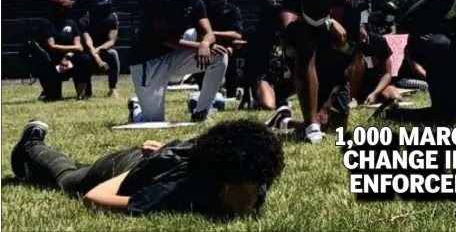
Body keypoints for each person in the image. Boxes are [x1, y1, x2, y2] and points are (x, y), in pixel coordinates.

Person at [10, 119, 284, 218]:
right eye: (240, 191)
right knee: (70, 179)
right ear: (223, 184)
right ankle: (29, 146)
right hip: (123, 169)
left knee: (78, 168)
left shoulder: (250, 167)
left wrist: (166, 148)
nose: (251, 200)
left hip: (152, 161)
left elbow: (203, 145)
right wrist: (141, 169)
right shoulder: (176, 189)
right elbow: (94, 198)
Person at [266, 0, 365, 144]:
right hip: (304, 47)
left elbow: (349, 61)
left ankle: (284, 121)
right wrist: (322, 25)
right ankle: (311, 125)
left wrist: (325, 106)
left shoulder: (351, 3)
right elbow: (287, 33)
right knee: (305, 42)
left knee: (336, 125)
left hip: (332, 54)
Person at [127, 0, 228, 123]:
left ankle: (201, 112)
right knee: (154, 122)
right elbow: (163, 38)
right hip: (148, 61)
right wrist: (197, 46)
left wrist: (205, 43)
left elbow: (209, 33)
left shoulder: (195, 0)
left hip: (172, 57)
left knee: (219, 56)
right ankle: (137, 108)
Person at [32, 0, 92, 101]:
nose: (69, 8)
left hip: (69, 61)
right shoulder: (46, 24)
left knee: (84, 59)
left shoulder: (71, 23)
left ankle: (81, 94)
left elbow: (79, 47)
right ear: (58, 8)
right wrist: (72, 49)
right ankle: (48, 91)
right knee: (53, 98)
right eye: (66, 6)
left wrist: (68, 56)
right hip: (53, 64)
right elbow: (52, 46)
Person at [239, 0, 294, 111]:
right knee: (268, 106)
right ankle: (260, 97)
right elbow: (249, 66)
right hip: (265, 76)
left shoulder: (289, 31)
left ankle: (281, 96)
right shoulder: (256, 35)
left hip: (285, 76)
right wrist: (246, 95)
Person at [203, 0, 244, 99]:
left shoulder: (232, 10)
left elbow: (237, 35)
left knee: (228, 52)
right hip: (209, 43)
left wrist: (214, 34)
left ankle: (231, 91)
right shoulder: (206, 11)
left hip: (227, 43)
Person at [79, 0, 120, 98]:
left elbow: (112, 41)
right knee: (85, 59)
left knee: (113, 54)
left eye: (106, 7)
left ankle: (113, 88)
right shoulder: (86, 20)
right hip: (88, 50)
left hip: (103, 49)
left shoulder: (112, 18)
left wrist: (100, 49)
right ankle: (86, 91)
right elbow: (88, 42)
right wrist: (97, 58)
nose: (104, 10)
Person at [351, 27, 398, 106]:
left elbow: (387, 74)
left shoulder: (379, 41)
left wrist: (375, 93)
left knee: (392, 97)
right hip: (356, 85)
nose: (362, 39)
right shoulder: (351, 44)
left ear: (363, 28)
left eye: (361, 34)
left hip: (376, 84)